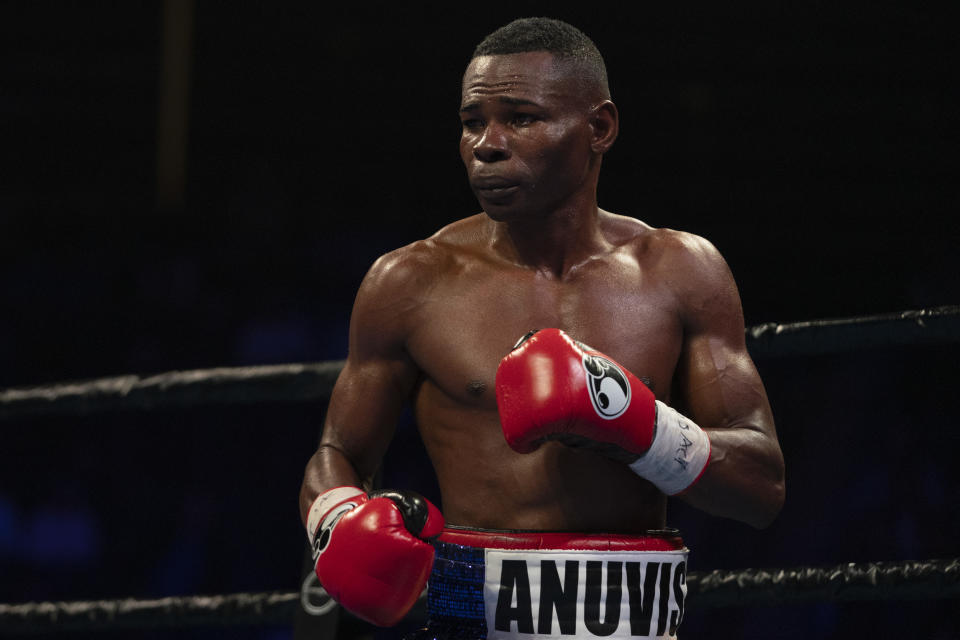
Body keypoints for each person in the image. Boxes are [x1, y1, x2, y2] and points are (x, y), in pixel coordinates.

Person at [299, 17, 784, 640]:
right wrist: (339, 520)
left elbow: (761, 487)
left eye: (521, 118)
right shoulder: (411, 281)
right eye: (473, 122)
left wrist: (638, 426)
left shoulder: (681, 272)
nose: (487, 145)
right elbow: (337, 453)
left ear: (599, 129)